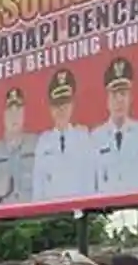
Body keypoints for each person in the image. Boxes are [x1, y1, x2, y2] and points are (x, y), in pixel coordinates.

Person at [92, 57, 138, 194]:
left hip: (137, 210)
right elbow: (93, 184)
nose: (119, 100)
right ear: (107, 100)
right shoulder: (96, 137)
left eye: (123, 94)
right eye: (114, 95)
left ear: (131, 98)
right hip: (105, 212)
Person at [33, 68, 93, 200]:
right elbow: (38, 187)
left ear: (72, 105)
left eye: (65, 104)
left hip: (79, 213)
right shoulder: (44, 142)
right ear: (50, 109)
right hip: (51, 214)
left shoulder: (83, 137)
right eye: (57, 105)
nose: (61, 110)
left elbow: (90, 182)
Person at [0, 87, 38, 204]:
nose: (14, 116)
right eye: (10, 111)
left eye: (18, 110)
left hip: (35, 216)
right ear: (3, 115)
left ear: (24, 113)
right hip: (5, 218)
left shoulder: (36, 144)